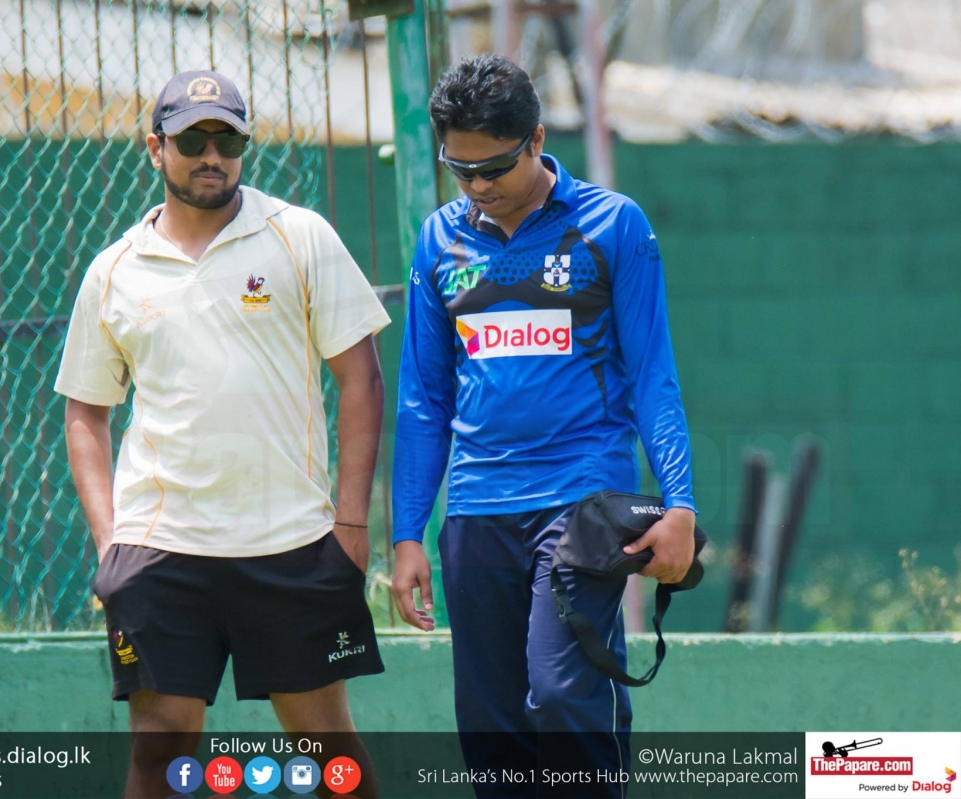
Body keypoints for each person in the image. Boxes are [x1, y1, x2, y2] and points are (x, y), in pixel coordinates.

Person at [55, 70, 389, 798]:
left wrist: (351, 523)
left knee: (327, 748)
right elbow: (86, 412)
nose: (212, 155)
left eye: (228, 140)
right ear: (155, 148)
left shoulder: (298, 235)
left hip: (292, 542)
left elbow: (361, 380)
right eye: (193, 140)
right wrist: (112, 543)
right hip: (161, 550)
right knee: (159, 749)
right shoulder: (114, 270)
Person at [391, 55, 698, 797]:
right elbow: (424, 400)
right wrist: (407, 534)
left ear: (535, 139)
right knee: (491, 725)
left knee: (563, 691)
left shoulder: (613, 225)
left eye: (495, 167)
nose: (478, 185)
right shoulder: (438, 241)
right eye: (461, 170)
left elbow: (653, 376)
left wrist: (681, 503)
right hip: (475, 510)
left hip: (583, 501)